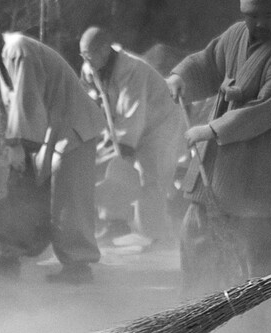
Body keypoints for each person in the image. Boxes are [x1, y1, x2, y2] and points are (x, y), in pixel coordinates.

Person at [166, 0, 271, 296]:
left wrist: (211, 129)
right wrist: (181, 76)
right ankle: (198, 305)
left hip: (261, 167)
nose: (260, 23)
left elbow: (263, 110)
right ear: (244, 13)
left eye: (268, 15)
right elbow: (207, 62)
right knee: (196, 233)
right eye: (253, 16)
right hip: (219, 163)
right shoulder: (235, 35)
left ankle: (265, 315)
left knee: (258, 251)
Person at [0, 18, 104, 284]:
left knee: (69, 198)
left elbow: (27, 102)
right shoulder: (3, 60)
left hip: (74, 125)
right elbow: (18, 107)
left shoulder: (17, 49)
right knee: (42, 196)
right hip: (55, 128)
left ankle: (79, 267)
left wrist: (21, 150)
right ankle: (24, 252)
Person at [79, 26, 189, 249]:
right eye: (83, 55)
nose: (86, 60)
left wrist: (124, 151)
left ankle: (157, 236)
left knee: (151, 177)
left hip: (161, 123)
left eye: (89, 55)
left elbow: (132, 113)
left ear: (104, 50)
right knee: (111, 165)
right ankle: (115, 222)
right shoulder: (91, 67)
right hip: (127, 124)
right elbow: (89, 97)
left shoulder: (131, 69)